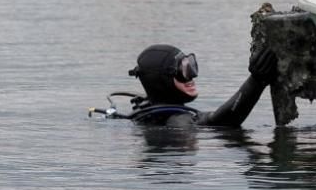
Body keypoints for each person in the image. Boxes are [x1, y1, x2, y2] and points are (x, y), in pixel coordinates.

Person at [95, 44, 277, 127]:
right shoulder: (178, 122)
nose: (191, 77)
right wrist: (256, 81)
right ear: (163, 81)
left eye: (190, 66)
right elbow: (223, 122)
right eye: (183, 71)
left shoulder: (147, 110)